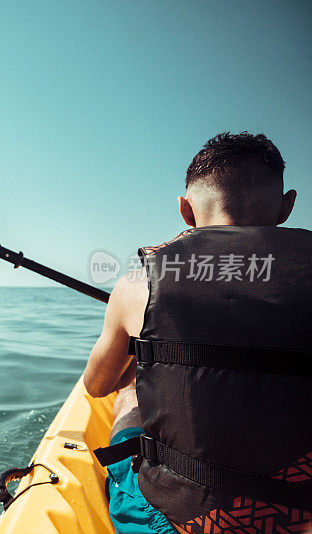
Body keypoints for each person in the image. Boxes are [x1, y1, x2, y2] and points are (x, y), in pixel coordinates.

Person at [82, 132, 312, 533]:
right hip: (301, 518)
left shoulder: (139, 285)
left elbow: (97, 385)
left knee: (128, 392)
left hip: (183, 522)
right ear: (287, 205)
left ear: (185, 211)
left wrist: (147, 360)